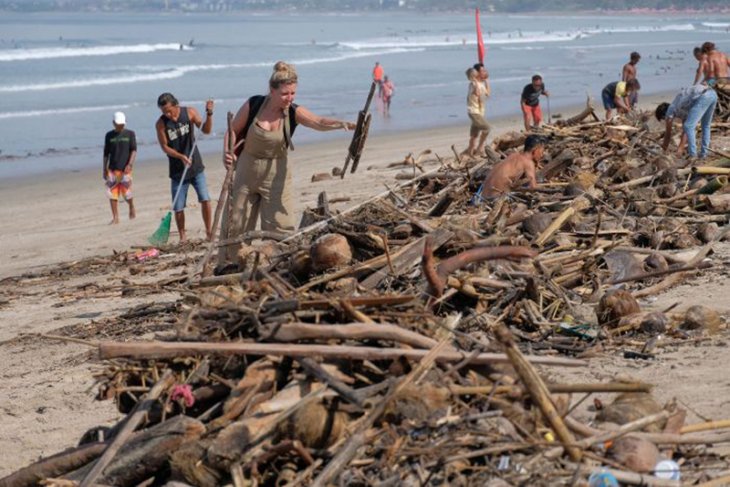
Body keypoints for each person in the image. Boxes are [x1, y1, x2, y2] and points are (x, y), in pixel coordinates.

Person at [216, 61, 355, 269]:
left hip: (276, 174)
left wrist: (340, 124)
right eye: (284, 94)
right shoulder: (254, 104)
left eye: (293, 93)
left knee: (281, 226)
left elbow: (317, 121)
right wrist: (227, 152)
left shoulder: (292, 112)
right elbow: (233, 130)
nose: (289, 98)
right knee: (235, 224)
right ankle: (229, 267)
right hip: (246, 169)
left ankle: (278, 266)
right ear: (271, 90)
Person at [155, 92, 214, 242]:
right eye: (163, 112)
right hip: (177, 170)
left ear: (175, 104)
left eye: (169, 110)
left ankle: (209, 232)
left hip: (195, 166)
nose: (167, 114)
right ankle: (182, 237)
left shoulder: (189, 112)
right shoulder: (161, 124)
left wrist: (210, 114)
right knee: (178, 207)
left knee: (205, 199)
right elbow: (164, 147)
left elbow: (206, 131)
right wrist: (180, 157)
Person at [655, 84, 718, 159]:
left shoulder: (670, 110)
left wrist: (663, 150)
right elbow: (685, 132)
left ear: (663, 115)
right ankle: (704, 154)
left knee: (689, 126)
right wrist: (680, 149)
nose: (666, 121)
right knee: (705, 126)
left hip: (703, 96)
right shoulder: (680, 107)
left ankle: (693, 155)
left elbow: (668, 134)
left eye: (663, 119)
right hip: (712, 94)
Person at [479, 135, 544, 199]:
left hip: (481, 196)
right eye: (541, 151)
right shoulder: (528, 162)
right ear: (535, 150)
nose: (542, 155)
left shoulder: (513, 156)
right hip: (494, 198)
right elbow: (533, 187)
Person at [103, 111, 136, 224]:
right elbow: (106, 153)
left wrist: (130, 164)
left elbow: (133, 150)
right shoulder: (109, 135)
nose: (121, 126)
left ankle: (131, 206)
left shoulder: (130, 134)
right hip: (112, 169)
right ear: (113, 123)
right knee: (112, 194)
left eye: (122, 124)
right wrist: (104, 168)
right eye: (119, 124)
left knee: (126, 193)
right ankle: (115, 217)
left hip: (125, 169)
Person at [465, 63, 491, 158]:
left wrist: (487, 82)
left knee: (474, 135)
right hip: (474, 111)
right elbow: (477, 93)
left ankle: (470, 152)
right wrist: (475, 80)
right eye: (482, 71)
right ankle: (480, 149)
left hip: (480, 112)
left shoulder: (482, 83)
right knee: (487, 128)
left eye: (484, 70)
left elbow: (488, 94)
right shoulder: (473, 84)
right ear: (477, 73)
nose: (485, 72)